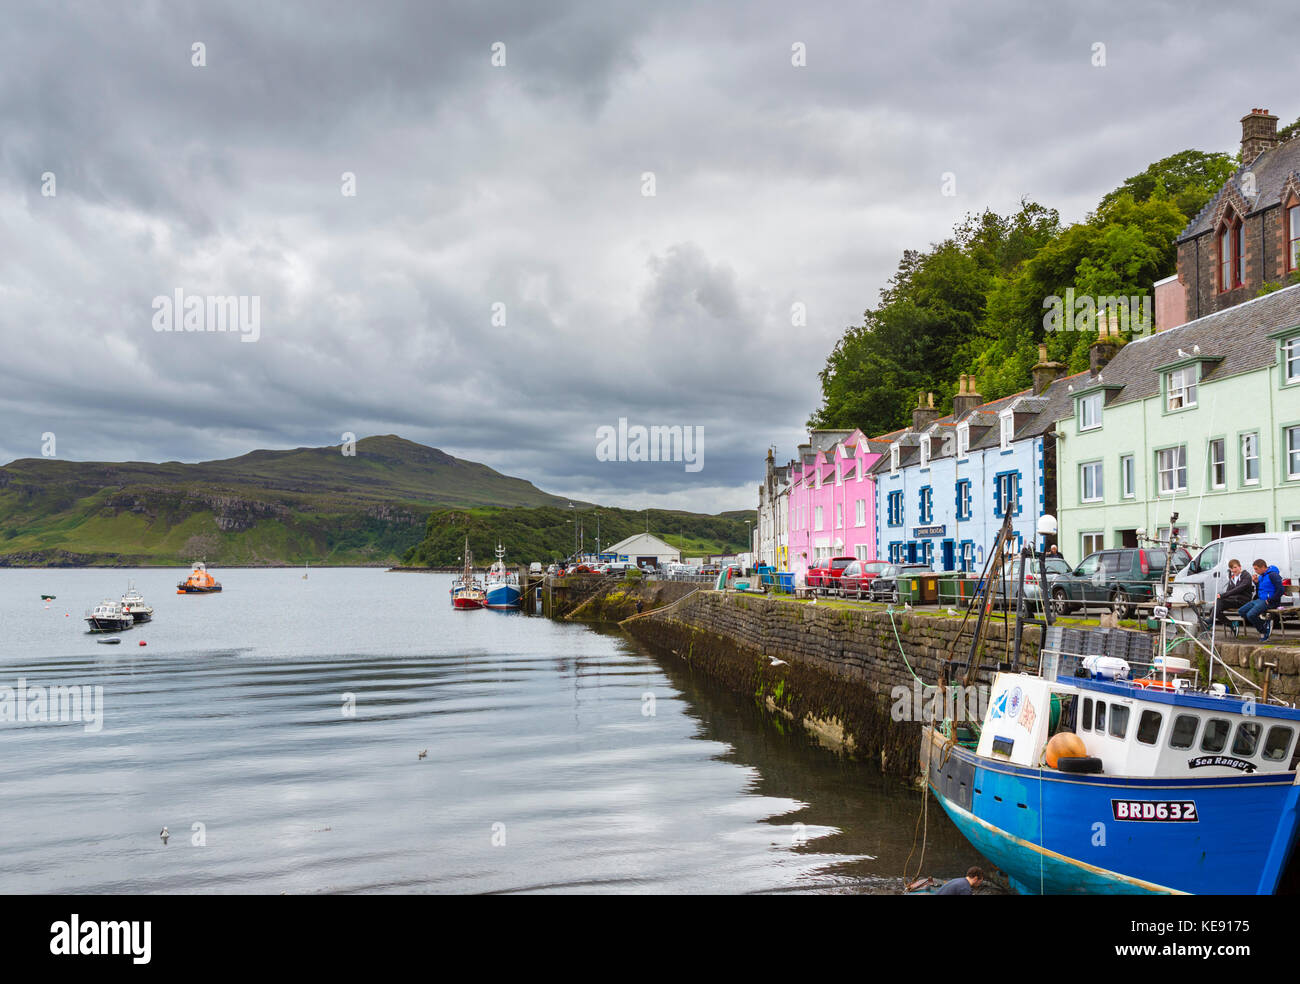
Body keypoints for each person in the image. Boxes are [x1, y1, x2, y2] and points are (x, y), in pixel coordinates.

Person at [1239, 558, 1285, 642]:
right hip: (1260, 600)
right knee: (1241, 611)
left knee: (1250, 615)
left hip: (1270, 601)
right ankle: (1264, 624)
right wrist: (1256, 583)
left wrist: (1271, 599)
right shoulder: (1261, 577)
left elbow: (1281, 590)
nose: (1255, 571)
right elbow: (1261, 590)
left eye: (1256, 569)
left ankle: (1264, 630)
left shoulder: (1273, 575)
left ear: (1263, 567)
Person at [1212, 559, 1254, 627]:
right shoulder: (1232, 578)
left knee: (1218, 604)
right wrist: (1218, 599)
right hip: (1233, 601)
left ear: (1240, 567)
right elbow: (1228, 591)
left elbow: (1238, 589)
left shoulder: (1246, 576)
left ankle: (1209, 622)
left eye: (1235, 567)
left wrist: (1222, 596)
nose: (1233, 570)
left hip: (1242, 601)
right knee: (1213, 609)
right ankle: (1232, 625)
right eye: (1231, 568)